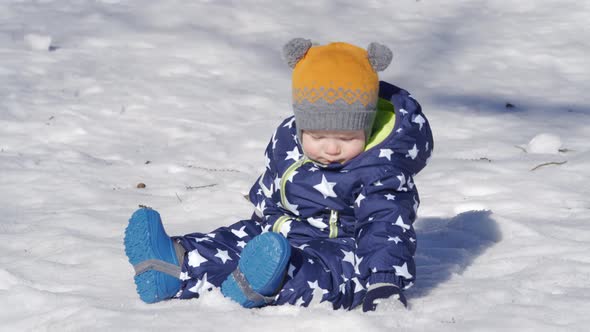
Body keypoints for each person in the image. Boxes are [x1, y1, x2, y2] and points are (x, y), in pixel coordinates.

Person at [124, 38, 433, 311]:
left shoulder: (380, 169)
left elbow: (385, 226)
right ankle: (174, 263)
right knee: (234, 241)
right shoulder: (289, 140)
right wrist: (263, 223)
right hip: (279, 234)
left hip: (345, 248)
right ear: (301, 126)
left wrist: (383, 280)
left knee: (325, 275)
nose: (331, 148)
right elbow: (272, 188)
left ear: (366, 128)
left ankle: (265, 285)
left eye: (347, 138)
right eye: (318, 136)